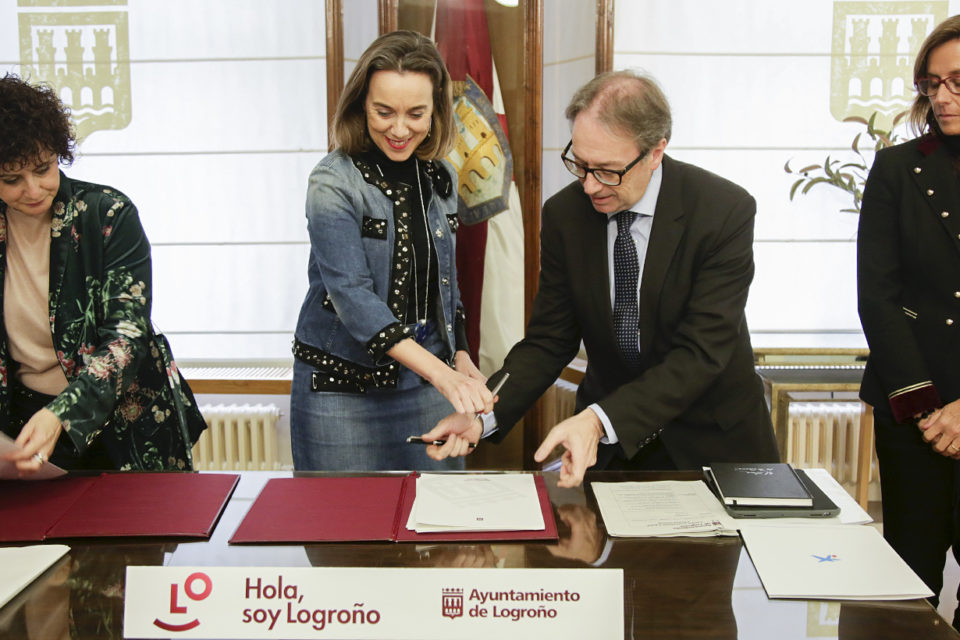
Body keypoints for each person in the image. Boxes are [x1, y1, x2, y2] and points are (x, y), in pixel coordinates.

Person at [422, 70, 779, 486]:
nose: (590, 186)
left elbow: (701, 353)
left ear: (655, 152)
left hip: (713, 442)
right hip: (614, 453)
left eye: (608, 171)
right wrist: (483, 417)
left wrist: (597, 420)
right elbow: (549, 341)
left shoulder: (722, 211)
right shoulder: (566, 215)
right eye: (580, 164)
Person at [290, 30, 492, 470]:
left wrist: (459, 356)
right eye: (384, 112)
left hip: (426, 383)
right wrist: (443, 375)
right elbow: (352, 297)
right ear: (361, 105)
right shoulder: (332, 182)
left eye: (416, 113)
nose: (400, 130)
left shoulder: (440, 176)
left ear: (436, 110)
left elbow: (446, 284)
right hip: (339, 388)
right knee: (341, 514)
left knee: (436, 509)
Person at [0, 73, 206, 476]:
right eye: (11, 179)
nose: (34, 189)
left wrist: (63, 412)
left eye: (43, 168)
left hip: (125, 420)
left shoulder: (107, 214)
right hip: (26, 421)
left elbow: (127, 335)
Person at [857, 15, 960, 627]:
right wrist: (927, 409)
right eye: (932, 83)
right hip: (911, 410)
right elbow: (877, 295)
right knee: (908, 586)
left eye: (957, 82)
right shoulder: (897, 168)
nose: (942, 96)